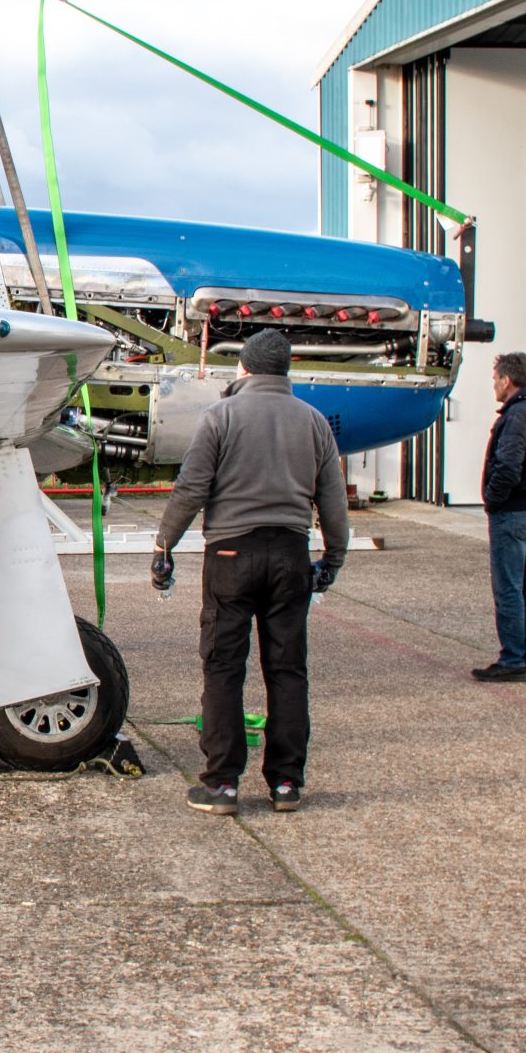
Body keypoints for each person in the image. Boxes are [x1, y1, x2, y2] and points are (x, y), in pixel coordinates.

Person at [150, 327, 348, 815]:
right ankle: (285, 783)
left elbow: (191, 489)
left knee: (223, 668)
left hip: (230, 557)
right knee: (287, 670)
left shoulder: (220, 416)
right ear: (285, 370)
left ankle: (222, 784)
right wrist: (333, 559)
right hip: (290, 555)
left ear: (244, 368)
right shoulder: (314, 421)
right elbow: (333, 501)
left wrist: (163, 545)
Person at [474, 352, 526, 682]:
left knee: (508, 589)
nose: (493, 385)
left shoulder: (517, 416)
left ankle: (511, 659)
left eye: (495, 379)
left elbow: (509, 466)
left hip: (513, 511)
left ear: (507, 380)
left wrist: (492, 500)